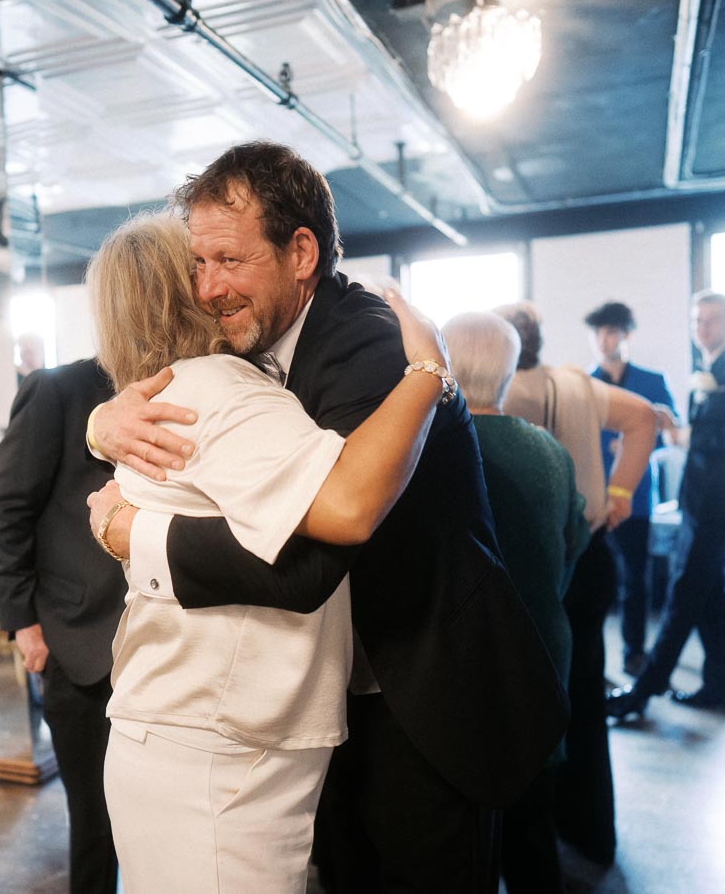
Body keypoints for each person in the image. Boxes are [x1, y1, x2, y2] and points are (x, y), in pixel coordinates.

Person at [88, 142, 567, 893]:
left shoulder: (367, 342)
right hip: (339, 699)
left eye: (229, 260)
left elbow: (308, 558)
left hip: (421, 699)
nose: (208, 288)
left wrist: (134, 535)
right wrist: (103, 421)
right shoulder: (254, 347)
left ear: (302, 252)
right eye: (199, 264)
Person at [83, 210, 452, 892]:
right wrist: (429, 372)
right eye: (205, 263)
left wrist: (101, 434)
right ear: (185, 285)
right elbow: (343, 513)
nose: (217, 280)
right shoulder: (221, 391)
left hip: (186, 731)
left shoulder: (156, 398)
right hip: (217, 754)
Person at [495, 301, 656, 867]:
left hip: (531, 563)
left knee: (524, 701)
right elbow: (645, 419)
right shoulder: (575, 382)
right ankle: (590, 829)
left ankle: (526, 841)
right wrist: (620, 494)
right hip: (590, 555)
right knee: (584, 695)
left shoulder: (495, 393)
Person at [444, 311, 590, 893]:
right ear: (509, 371)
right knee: (533, 831)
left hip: (464, 662)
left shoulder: (432, 447)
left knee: (463, 840)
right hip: (541, 649)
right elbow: (573, 544)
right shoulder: (549, 451)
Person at [0, 357, 123, 894]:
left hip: (164, 643)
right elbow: (2, 507)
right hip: (79, 643)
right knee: (95, 823)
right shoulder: (59, 390)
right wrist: (25, 625)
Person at [607, 291, 725, 720]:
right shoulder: (706, 370)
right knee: (711, 593)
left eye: (712, 320)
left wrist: (684, 436)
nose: (703, 327)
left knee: (683, 590)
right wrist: (674, 428)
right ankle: (723, 690)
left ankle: (643, 691)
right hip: (698, 500)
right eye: (698, 319)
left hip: (724, 501)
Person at [584, 301, 679, 677]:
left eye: (611, 332)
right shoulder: (583, 384)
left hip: (636, 498)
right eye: (598, 333)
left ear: (627, 335)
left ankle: (634, 653)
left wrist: (635, 444)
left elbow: (670, 432)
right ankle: (591, 661)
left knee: (635, 582)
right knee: (591, 583)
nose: (604, 340)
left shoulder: (652, 382)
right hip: (591, 496)